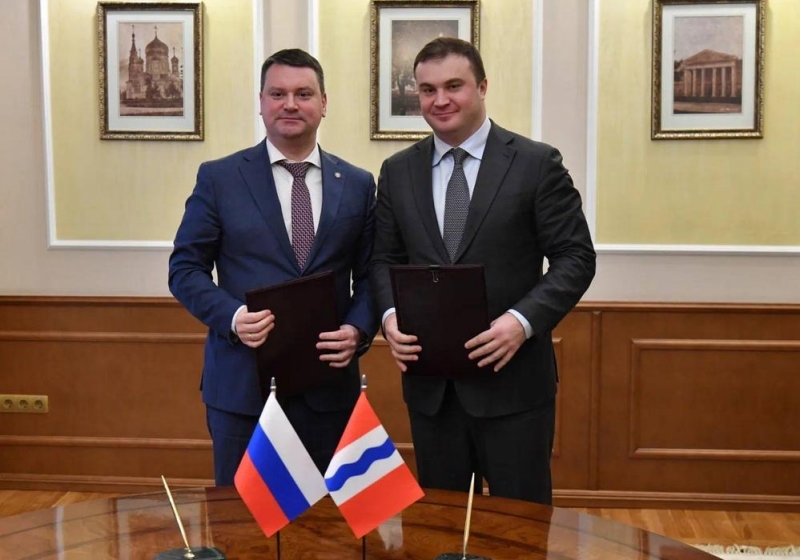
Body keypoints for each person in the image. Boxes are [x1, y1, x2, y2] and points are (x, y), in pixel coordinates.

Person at [369, 37, 596, 504]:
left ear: (483, 87)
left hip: (514, 384)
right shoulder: (397, 171)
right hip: (432, 389)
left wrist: (521, 322)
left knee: (521, 527)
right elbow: (383, 260)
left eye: (454, 86)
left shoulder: (536, 164)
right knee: (442, 526)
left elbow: (576, 257)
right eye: (427, 90)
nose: (440, 100)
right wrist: (390, 318)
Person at [169, 49, 377, 486]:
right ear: (261, 102)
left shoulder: (358, 184)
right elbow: (185, 269)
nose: (290, 104)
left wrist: (358, 330)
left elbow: (372, 274)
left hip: (328, 390)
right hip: (242, 388)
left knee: (326, 522)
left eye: (304, 94)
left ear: (324, 103)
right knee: (243, 520)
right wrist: (233, 317)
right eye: (278, 94)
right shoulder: (220, 178)